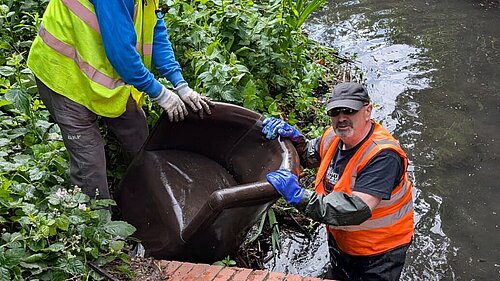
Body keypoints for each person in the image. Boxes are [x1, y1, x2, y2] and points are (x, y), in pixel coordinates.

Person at [27, 0, 213, 200]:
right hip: (64, 75)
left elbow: (154, 29)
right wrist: (160, 93)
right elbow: (121, 53)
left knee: (137, 134)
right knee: (90, 165)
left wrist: (180, 84)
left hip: (101, 75)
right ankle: (100, 226)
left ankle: (148, 199)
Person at [262, 82, 414, 281]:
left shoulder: (383, 155)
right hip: (342, 242)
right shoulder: (333, 136)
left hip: (379, 253)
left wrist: (299, 196)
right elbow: (310, 155)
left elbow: (354, 209)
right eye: (335, 112)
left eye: (349, 111)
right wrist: (296, 141)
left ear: (367, 111)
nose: (341, 118)